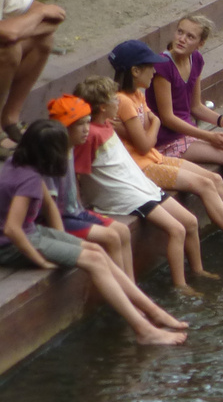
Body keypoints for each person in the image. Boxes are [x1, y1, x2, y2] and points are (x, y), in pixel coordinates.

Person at [0, 120, 188, 345]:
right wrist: (40, 260)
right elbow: (12, 229)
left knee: (96, 251)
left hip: (31, 232)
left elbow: (49, 207)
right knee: (94, 260)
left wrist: (65, 241)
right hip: (12, 245)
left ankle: (151, 310)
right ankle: (143, 330)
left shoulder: (20, 163)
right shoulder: (28, 180)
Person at [107, 40, 223, 260]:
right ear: (135, 71)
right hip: (140, 167)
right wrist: (154, 123)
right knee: (204, 185)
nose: (154, 71)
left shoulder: (138, 95)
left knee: (214, 180)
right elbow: (145, 142)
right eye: (150, 66)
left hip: (152, 158)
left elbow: (145, 133)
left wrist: (146, 126)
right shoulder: (123, 101)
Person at [67, 85, 209, 295]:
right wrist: (81, 206)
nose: (119, 104)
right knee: (176, 229)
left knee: (190, 222)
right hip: (124, 193)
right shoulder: (89, 136)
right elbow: (78, 171)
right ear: (103, 107)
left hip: (139, 184)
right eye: (114, 101)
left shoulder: (107, 124)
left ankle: (198, 271)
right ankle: (181, 285)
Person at [148, 14, 223, 234]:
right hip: (168, 141)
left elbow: (195, 106)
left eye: (190, 36)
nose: (182, 39)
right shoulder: (163, 66)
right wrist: (208, 136)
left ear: (200, 43)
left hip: (188, 135)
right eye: (180, 32)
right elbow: (168, 118)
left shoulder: (196, 60)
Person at [42, 96, 136, 282]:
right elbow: (49, 207)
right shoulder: (52, 157)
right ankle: (123, 293)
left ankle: (133, 288)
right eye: (80, 125)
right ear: (64, 127)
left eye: (87, 122)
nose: (87, 129)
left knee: (123, 231)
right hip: (61, 219)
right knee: (111, 237)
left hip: (77, 212)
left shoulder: (70, 147)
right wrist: (61, 240)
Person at [0, 0, 65, 157]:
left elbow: (53, 16)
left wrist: (20, 30)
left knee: (43, 40)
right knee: (8, 49)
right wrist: (34, 18)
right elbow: (9, 34)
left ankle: (10, 118)